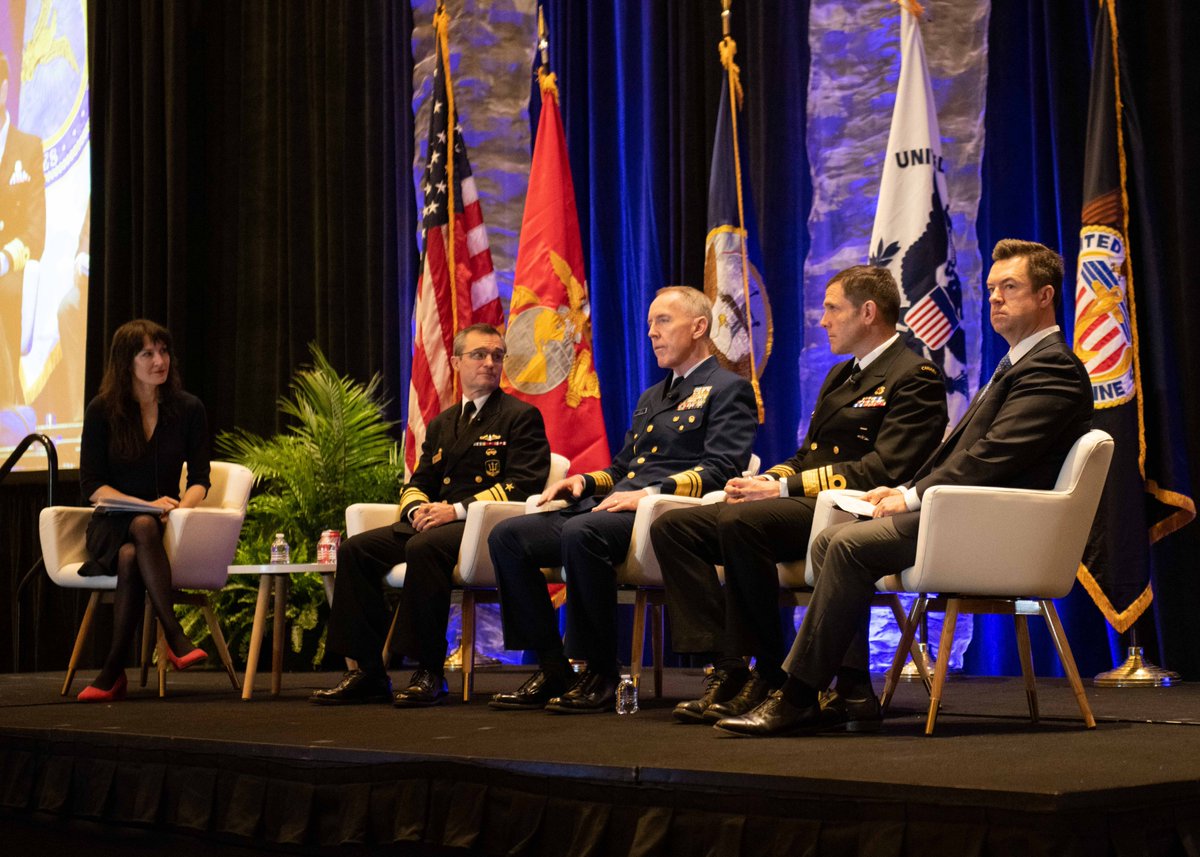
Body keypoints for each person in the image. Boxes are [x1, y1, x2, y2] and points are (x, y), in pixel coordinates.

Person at [715, 238, 1094, 737]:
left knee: (847, 545)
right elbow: (963, 457)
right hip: (964, 512)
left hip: (997, 528)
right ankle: (851, 691)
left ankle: (797, 694)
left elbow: (993, 457)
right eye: (992, 288)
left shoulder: (1053, 367)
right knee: (832, 538)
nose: (995, 298)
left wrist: (912, 496)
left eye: (1010, 287)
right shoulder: (1018, 363)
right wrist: (904, 490)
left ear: (1046, 296)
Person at [650, 266, 948, 724]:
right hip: (812, 505)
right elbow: (808, 453)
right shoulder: (840, 375)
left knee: (741, 523)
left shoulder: (915, 375)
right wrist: (767, 480)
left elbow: (887, 468)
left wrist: (782, 487)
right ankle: (729, 668)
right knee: (676, 527)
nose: (823, 320)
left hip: (860, 509)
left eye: (833, 308)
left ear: (868, 312)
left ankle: (769, 672)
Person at [488, 286, 757, 714]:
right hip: (614, 508)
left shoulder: (728, 388)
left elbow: (722, 468)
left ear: (700, 326)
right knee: (508, 536)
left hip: (667, 515)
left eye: (663, 321)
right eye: (650, 324)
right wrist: (583, 483)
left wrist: (649, 495)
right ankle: (553, 666)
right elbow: (622, 469)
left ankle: (600, 671)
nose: (651, 333)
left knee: (582, 531)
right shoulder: (653, 396)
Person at [311, 324, 550, 707]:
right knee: (355, 550)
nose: (489, 363)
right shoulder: (442, 424)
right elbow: (419, 480)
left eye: (497, 355)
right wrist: (416, 509)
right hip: (436, 523)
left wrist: (452, 510)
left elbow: (523, 484)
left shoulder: (520, 416)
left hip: (483, 527)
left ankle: (429, 671)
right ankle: (368, 671)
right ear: (456, 362)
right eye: (479, 355)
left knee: (424, 547)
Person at [77, 320, 212, 702]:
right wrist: (147, 507)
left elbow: (200, 479)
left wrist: (178, 513)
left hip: (162, 528)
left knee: (133, 552)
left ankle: (112, 670)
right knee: (138, 528)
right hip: (109, 524)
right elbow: (93, 488)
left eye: (163, 351)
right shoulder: (102, 410)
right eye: (147, 353)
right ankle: (174, 634)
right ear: (126, 362)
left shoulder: (188, 409)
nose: (159, 360)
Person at [0, 50, 46, 412]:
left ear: (3, 90)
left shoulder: (27, 148)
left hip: (8, 268)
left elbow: (36, 231)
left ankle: (6, 405)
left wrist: (4, 259)